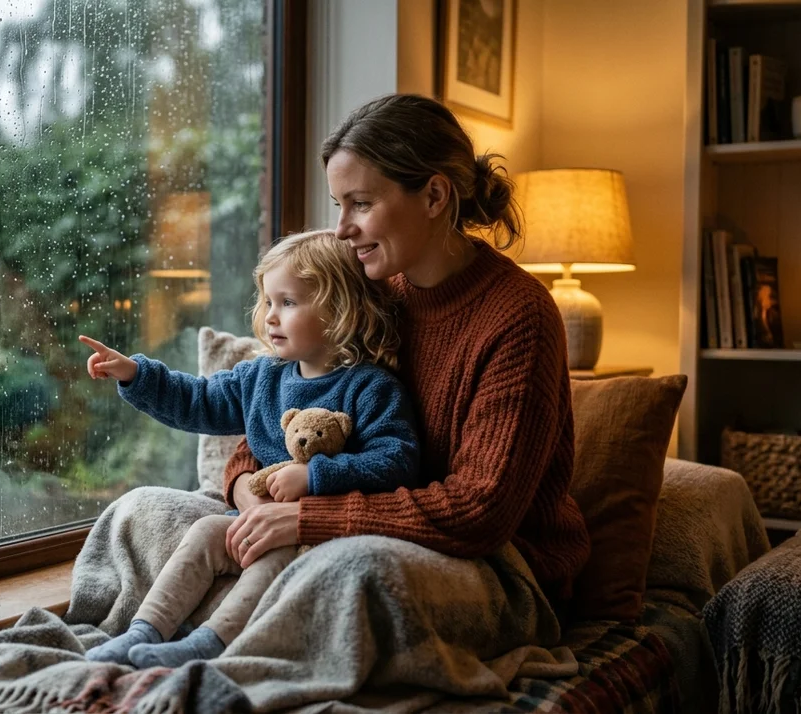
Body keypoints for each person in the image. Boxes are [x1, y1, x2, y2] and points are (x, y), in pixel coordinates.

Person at [221, 93, 591, 620]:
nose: (342, 229)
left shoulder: (519, 317)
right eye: (338, 205)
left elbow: (479, 511)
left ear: (435, 195)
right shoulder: (371, 293)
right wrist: (247, 496)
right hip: (366, 531)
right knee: (151, 511)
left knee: (352, 574)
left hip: (502, 565)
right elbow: (272, 418)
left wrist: (308, 520)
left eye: (362, 204)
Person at [77, 229, 419, 668]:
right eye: (268, 301)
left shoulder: (371, 388)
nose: (270, 316)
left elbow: (398, 460)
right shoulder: (262, 377)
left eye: (288, 303)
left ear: (341, 311)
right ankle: (144, 631)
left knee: (272, 559)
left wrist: (315, 476)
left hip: (316, 534)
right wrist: (134, 375)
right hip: (252, 518)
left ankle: (210, 643)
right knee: (204, 532)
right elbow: (197, 400)